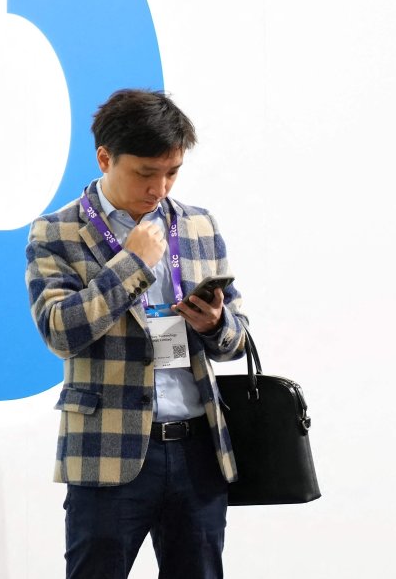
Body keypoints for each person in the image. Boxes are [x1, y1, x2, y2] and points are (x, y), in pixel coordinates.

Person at [25, 89, 249, 579]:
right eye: (146, 173)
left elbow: (236, 341)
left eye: (172, 172)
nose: (160, 188)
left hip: (197, 449)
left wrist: (215, 324)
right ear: (105, 158)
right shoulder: (56, 233)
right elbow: (60, 331)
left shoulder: (197, 225)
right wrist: (132, 264)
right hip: (108, 451)